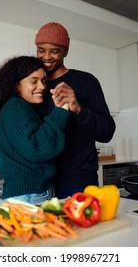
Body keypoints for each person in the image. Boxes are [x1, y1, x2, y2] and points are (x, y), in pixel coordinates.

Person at [35, 22, 116, 199]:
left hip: (77, 182)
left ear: (66, 52)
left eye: (54, 51)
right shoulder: (35, 86)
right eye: (41, 50)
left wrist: (79, 109)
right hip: (41, 184)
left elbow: (107, 131)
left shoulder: (85, 81)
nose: (46, 56)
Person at [0, 56, 70, 204]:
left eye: (43, 81)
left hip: (27, 195)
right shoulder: (16, 107)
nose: (42, 86)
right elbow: (37, 148)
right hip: (30, 196)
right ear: (15, 85)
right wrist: (61, 111)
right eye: (34, 81)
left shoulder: (19, 107)